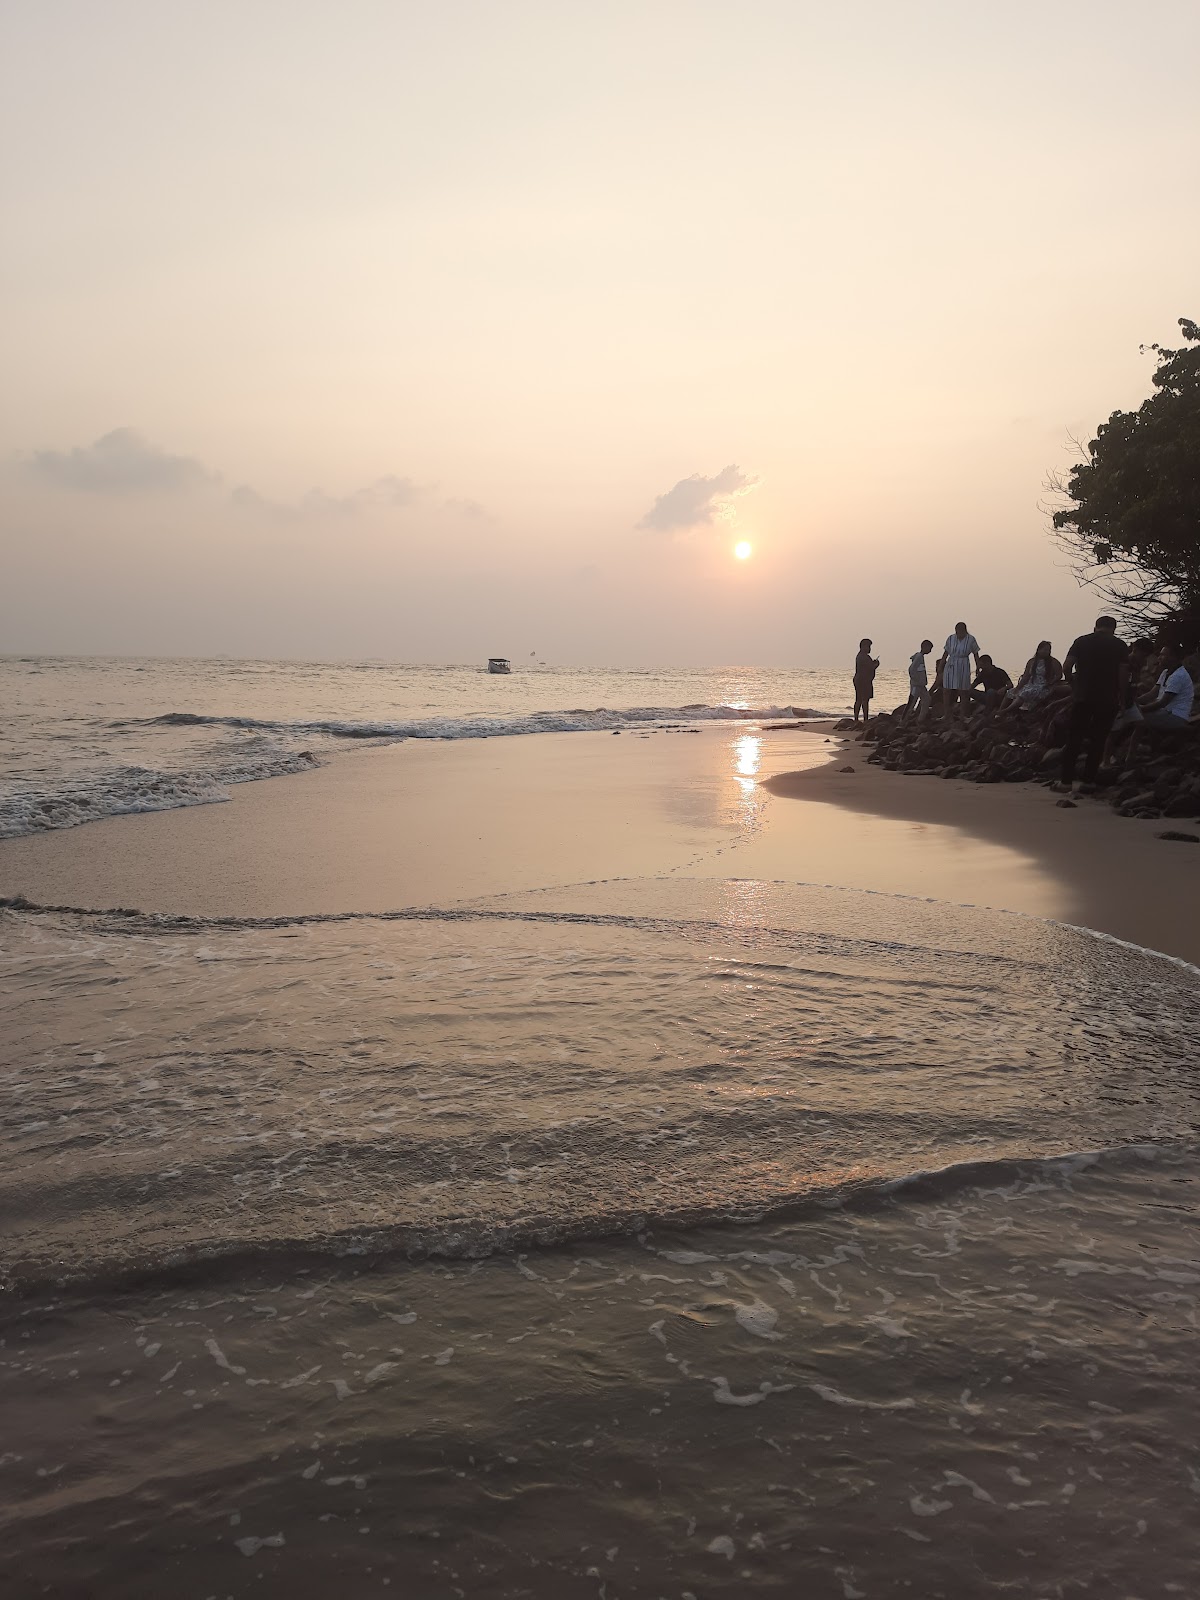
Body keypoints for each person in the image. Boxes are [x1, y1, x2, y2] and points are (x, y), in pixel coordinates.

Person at [1057, 616, 1130, 792]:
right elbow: (1123, 674)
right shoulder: (1120, 645)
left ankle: (1065, 782)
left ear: (1095, 627)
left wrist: (1073, 684)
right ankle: (1088, 782)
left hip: (1083, 696)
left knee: (1074, 738)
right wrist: (1123, 698)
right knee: (1098, 740)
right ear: (1113, 629)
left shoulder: (1081, 641)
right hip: (1107, 698)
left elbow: (1066, 666)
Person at [1137, 643, 1195, 732]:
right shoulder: (1166, 672)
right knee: (1136, 716)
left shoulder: (1178, 676)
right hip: (1165, 712)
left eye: (1162, 655)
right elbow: (1152, 693)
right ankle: (1135, 745)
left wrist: (1139, 708)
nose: (1159, 658)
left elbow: (1162, 703)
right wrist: (1134, 703)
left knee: (1137, 718)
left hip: (1175, 716)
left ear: (1174, 657)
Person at [1008, 641, 1063, 711]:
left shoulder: (1054, 662)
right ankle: (999, 713)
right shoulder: (1032, 661)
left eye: (1048, 650)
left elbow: (1059, 675)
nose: (1046, 652)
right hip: (1031, 684)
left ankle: (1006, 710)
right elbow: (1025, 677)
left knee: (1025, 693)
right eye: (1044, 649)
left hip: (1043, 686)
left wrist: (1051, 682)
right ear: (1038, 650)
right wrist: (1018, 687)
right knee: (1010, 692)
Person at [941, 622, 980, 719]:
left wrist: (978, 667)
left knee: (963, 690)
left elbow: (976, 654)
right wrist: (941, 664)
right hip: (951, 664)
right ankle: (946, 714)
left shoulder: (971, 639)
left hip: (963, 664)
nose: (959, 633)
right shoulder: (951, 638)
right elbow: (946, 653)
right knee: (947, 690)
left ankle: (963, 714)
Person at [852, 638, 879, 725]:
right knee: (864, 700)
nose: (870, 649)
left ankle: (857, 719)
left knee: (859, 699)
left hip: (860, 679)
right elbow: (870, 668)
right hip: (863, 680)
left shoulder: (860, 656)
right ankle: (865, 719)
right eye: (868, 646)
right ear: (863, 647)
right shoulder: (863, 657)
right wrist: (876, 665)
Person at [907, 640, 933, 719]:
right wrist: (916, 680)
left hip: (921, 685)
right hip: (916, 685)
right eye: (929, 648)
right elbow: (911, 669)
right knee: (912, 702)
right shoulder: (919, 657)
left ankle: (921, 718)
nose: (930, 651)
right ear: (924, 647)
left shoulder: (920, 657)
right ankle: (903, 721)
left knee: (927, 699)